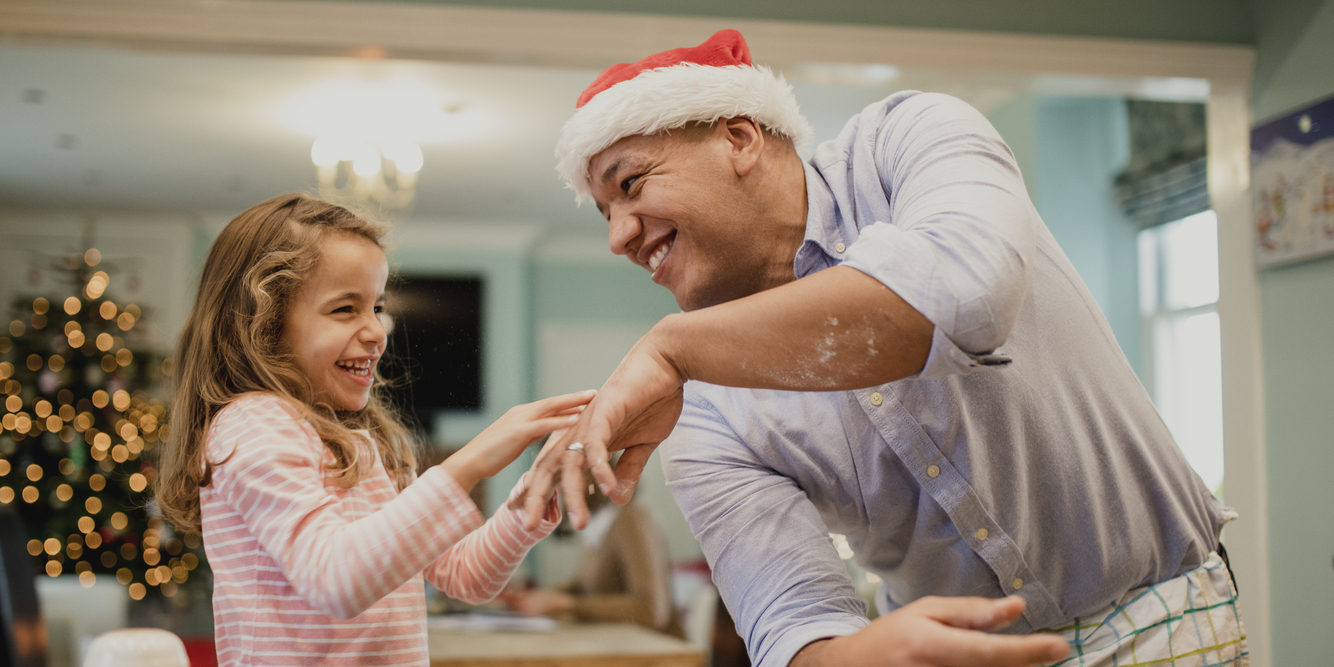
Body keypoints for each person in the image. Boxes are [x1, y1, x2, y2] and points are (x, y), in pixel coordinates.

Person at [519, 29, 1247, 667]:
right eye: (605, 212)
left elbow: (965, 297)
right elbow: (790, 624)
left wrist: (671, 347)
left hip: (1158, 621)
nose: (617, 237)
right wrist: (854, 653)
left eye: (631, 183)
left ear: (739, 138)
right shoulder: (701, 406)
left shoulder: (908, 139)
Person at [154, 194, 594, 666]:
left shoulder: (362, 444)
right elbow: (335, 581)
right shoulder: (253, 424)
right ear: (262, 324)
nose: (377, 332)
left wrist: (529, 500)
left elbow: (467, 576)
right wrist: (468, 463)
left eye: (377, 307)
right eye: (345, 309)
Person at [502, 473, 680, 635]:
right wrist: (543, 597)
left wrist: (568, 604)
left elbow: (651, 611)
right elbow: (586, 585)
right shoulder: (597, 522)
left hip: (654, 649)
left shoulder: (632, 518)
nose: (560, 487)